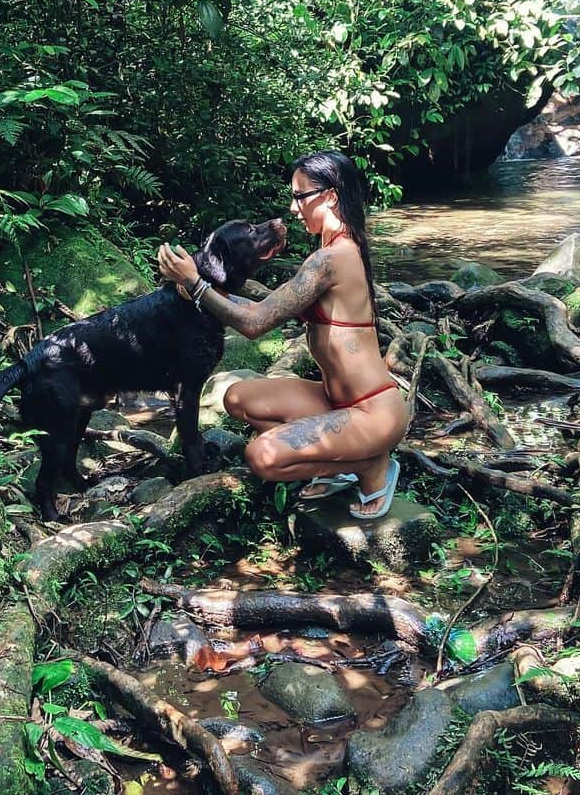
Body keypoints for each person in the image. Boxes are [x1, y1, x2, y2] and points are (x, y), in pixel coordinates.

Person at [157, 150, 408, 519]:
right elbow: (267, 307)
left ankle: (370, 466)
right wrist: (201, 291)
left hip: (373, 412)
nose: (293, 208)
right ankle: (344, 456)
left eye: (299, 196)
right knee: (238, 397)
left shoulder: (332, 258)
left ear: (330, 196)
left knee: (261, 456)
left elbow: (255, 324)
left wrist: (195, 285)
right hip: (334, 401)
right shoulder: (330, 251)